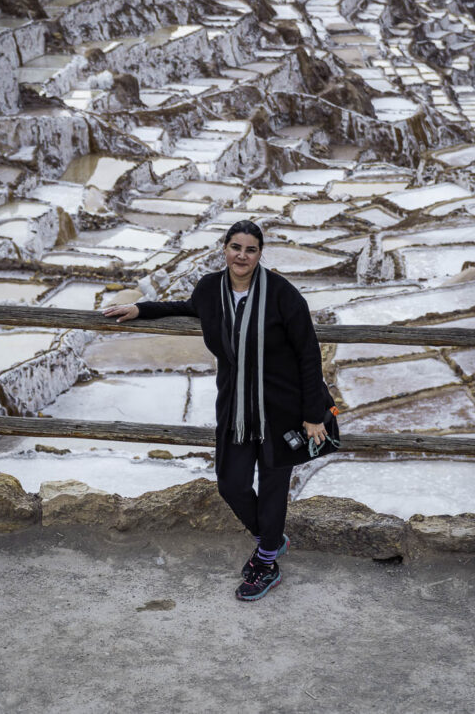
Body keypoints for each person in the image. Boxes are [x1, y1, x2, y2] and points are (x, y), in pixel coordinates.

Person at [103, 220, 337, 602]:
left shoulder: (282, 294)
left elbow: (308, 354)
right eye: (235, 247)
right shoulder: (210, 288)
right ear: (224, 249)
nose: (242, 256)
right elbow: (186, 307)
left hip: (282, 406)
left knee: (274, 486)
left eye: (250, 250)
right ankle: (272, 541)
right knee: (231, 483)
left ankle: (266, 563)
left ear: (260, 254)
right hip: (235, 405)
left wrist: (312, 414)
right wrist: (140, 309)